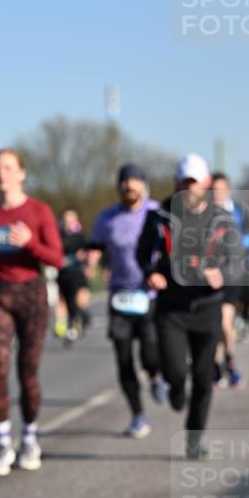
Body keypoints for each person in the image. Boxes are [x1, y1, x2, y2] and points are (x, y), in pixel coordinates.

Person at [0, 148, 64, 476]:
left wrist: (30, 243)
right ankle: (2, 443)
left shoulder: (39, 211)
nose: (2, 173)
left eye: (8, 167)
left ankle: (31, 439)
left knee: (27, 372)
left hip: (32, 295)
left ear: (22, 173)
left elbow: (57, 258)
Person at [137, 153, 240, 459]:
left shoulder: (221, 219)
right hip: (172, 309)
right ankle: (176, 390)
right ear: (175, 182)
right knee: (176, 372)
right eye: (183, 181)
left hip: (207, 307)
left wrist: (222, 274)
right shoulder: (159, 215)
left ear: (206, 183)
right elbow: (143, 254)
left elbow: (237, 261)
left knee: (204, 379)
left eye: (194, 182)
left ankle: (195, 440)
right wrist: (151, 274)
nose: (188, 187)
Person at [87, 163, 166, 438]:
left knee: (150, 351)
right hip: (120, 294)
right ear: (119, 187)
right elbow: (95, 245)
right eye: (124, 181)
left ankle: (155, 376)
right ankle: (138, 416)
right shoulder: (107, 218)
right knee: (123, 359)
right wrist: (92, 257)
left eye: (134, 180)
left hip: (149, 293)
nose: (129, 185)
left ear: (143, 184)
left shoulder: (157, 213)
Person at [210, 173, 249, 388]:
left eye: (221, 188)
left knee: (225, 322)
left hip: (233, 274)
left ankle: (230, 361)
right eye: (213, 189)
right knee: (213, 324)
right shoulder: (203, 212)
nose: (217, 192)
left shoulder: (238, 212)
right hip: (210, 276)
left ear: (228, 190)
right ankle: (215, 369)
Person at [55, 208, 92, 342]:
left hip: (77, 273)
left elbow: (88, 252)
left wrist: (84, 260)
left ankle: (81, 319)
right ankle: (62, 327)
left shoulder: (80, 237)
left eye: (71, 219)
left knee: (77, 301)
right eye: (66, 219)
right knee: (61, 300)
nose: (68, 222)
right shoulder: (57, 236)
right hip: (62, 274)